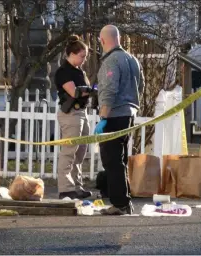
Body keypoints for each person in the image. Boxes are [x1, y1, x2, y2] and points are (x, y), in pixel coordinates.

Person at [94, 25, 145, 215]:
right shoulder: (132, 59)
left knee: (112, 160)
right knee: (121, 159)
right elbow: (141, 86)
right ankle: (125, 201)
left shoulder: (111, 61)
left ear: (103, 40)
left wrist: (103, 118)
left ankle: (120, 204)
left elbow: (109, 90)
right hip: (129, 114)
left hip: (114, 115)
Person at [54, 35, 97, 199]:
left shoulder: (79, 71)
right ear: (72, 54)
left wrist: (91, 91)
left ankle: (77, 186)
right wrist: (91, 90)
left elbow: (85, 90)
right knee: (69, 151)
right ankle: (65, 188)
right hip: (71, 114)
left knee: (80, 152)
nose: (84, 60)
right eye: (82, 56)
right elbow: (74, 91)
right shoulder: (63, 71)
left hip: (82, 112)